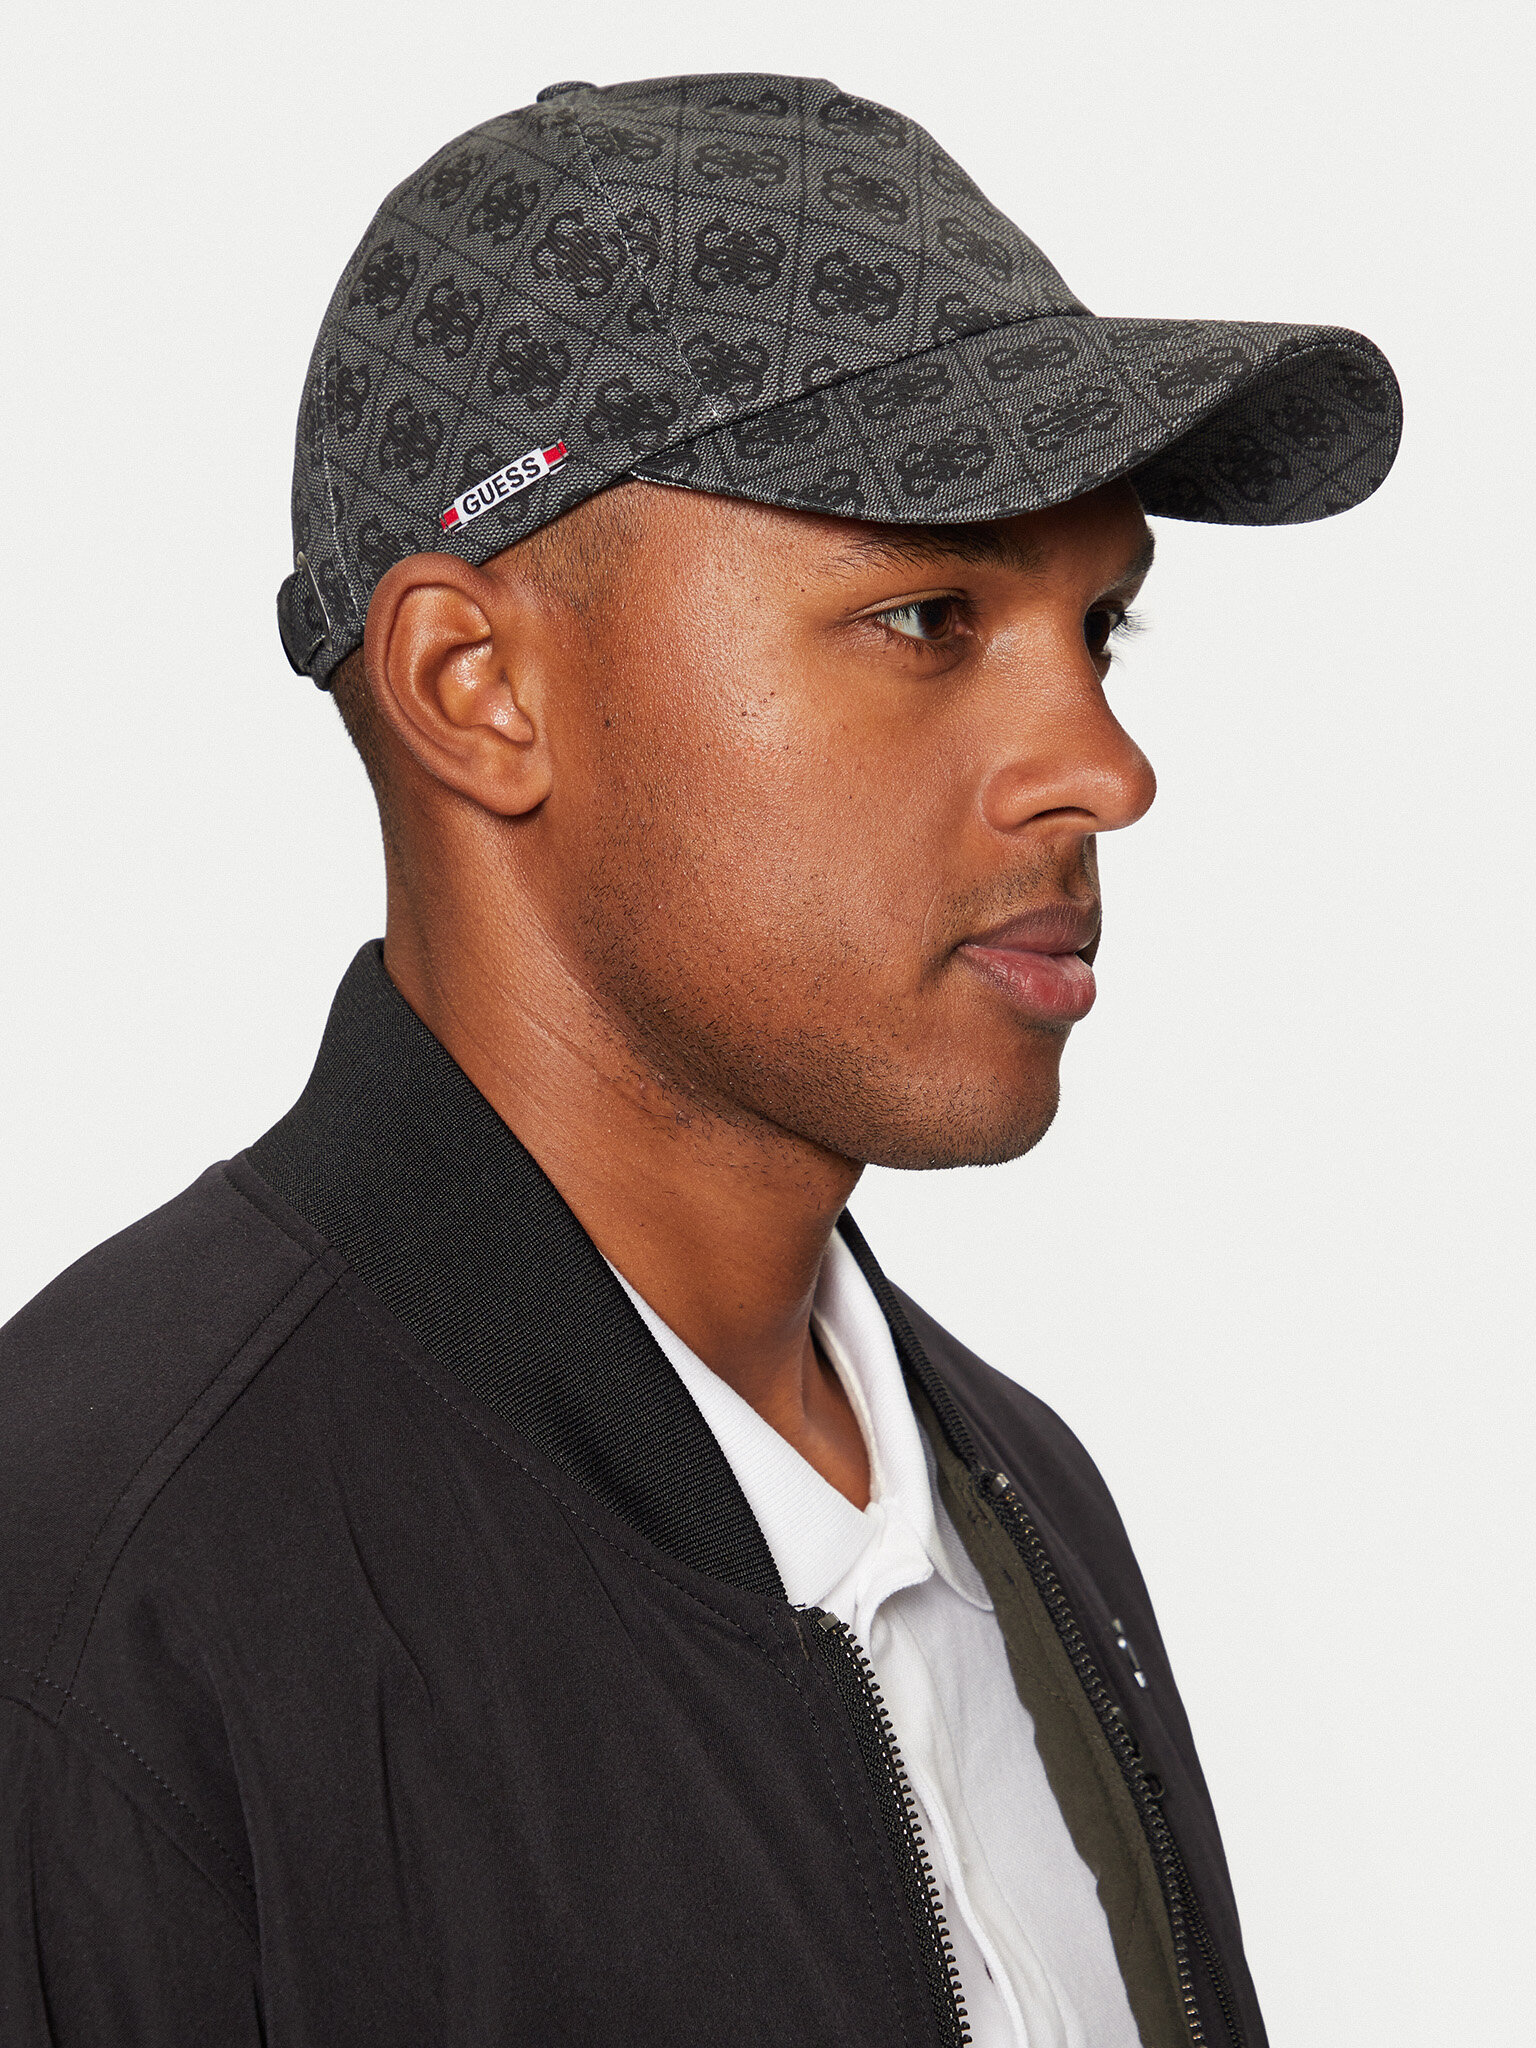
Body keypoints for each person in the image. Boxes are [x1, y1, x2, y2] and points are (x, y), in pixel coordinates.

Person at [0, 71, 1399, 2048]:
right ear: (478, 688)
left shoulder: (1021, 1505)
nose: (1103, 767)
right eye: (928, 615)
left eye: (1102, 629)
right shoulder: (96, 1599)